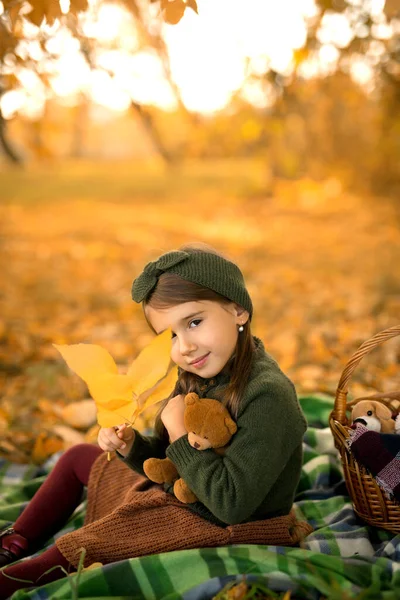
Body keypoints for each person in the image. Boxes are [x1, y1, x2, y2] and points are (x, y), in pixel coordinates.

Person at [0, 244, 311, 598]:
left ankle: (19, 576)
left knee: (91, 540)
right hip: (186, 493)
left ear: (238, 310)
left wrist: (179, 432)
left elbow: (231, 506)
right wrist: (132, 447)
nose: (185, 346)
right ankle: (15, 541)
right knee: (77, 459)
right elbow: (170, 459)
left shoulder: (268, 395)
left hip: (229, 524)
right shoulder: (201, 372)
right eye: (171, 337)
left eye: (194, 322)